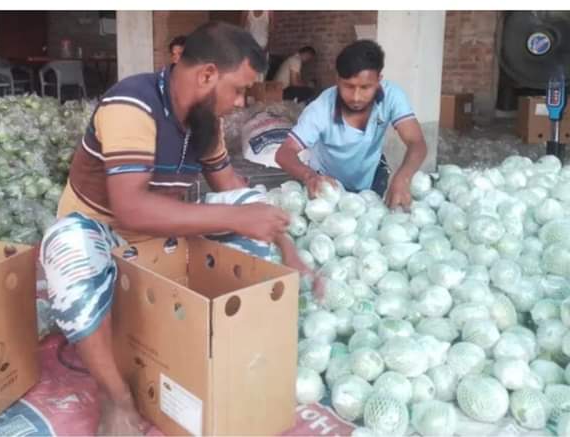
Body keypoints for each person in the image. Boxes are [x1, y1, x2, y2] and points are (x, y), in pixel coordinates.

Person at [39, 21, 310, 435]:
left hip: (162, 243)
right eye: (238, 90)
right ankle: (117, 398)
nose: (240, 103)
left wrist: (285, 244)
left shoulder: (205, 122)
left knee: (249, 204)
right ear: (206, 75)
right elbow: (129, 209)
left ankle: (226, 337)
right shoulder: (132, 104)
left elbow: (231, 188)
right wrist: (236, 217)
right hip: (105, 240)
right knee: (66, 243)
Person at [275, 40, 428, 209]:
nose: (356, 97)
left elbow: (417, 143)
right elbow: (284, 152)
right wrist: (310, 177)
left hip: (371, 176)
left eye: (365, 87)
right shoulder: (321, 108)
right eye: (348, 86)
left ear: (379, 80)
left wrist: (403, 177)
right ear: (338, 80)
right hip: (327, 185)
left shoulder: (391, 96)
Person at [242, 11, 273, 80]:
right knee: (249, 73)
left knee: (261, 75)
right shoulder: (247, 12)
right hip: (250, 48)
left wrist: (267, 48)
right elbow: (241, 30)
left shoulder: (269, 12)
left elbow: (271, 32)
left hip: (263, 48)